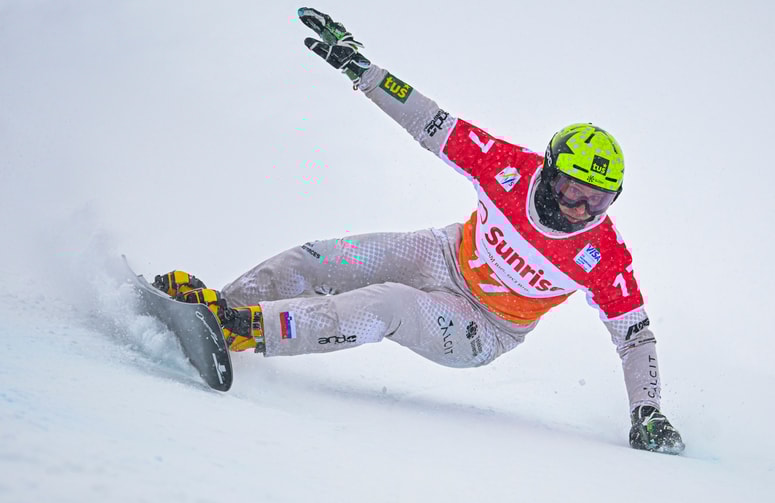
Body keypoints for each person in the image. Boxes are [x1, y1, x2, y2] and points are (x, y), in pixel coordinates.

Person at [154, 8, 684, 454]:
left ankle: (242, 329)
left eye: (600, 199)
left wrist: (648, 412)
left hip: (483, 326)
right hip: (444, 253)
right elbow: (430, 121)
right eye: (574, 190)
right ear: (548, 171)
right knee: (318, 261)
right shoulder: (509, 170)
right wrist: (361, 69)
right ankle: (216, 311)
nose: (582, 209)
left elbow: (635, 337)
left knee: (388, 305)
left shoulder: (604, 254)